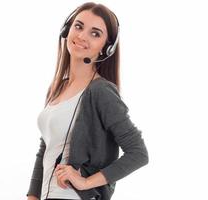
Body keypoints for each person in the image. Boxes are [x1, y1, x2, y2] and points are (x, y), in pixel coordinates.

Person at [26, 2, 149, 200]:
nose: (82, 36)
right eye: (79, 26)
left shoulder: (100, 91)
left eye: (95, 33)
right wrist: (32, 196)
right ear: (67, 30)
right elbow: (46, 148)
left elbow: (138, 153)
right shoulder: (57, 88)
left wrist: (85, 182)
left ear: (106, 48)